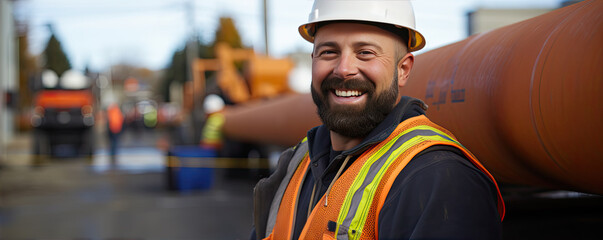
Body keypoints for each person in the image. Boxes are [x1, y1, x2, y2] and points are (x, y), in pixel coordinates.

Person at [252, 0, 505, 239]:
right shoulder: (297, 162)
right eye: (329, 52)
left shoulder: (439, 180)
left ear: (402, 69)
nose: (343, 69)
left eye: (365, 53)